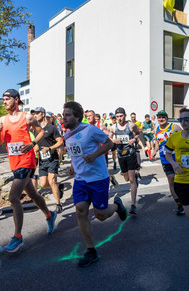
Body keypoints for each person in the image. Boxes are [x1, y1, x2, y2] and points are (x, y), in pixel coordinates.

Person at [63, 101, 127, 267]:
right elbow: (75, 153)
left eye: (68, 114)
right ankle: (91, 251)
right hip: (80, 180)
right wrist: (72, 166)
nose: (64, 117)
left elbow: (109, 143)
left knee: (101, 215)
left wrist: (94, 154)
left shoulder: (89, 130)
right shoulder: (67, 135)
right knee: (80, 211)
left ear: (77, 116)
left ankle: (117, 207)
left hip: (98, 178)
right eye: (63, 114)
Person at [0, 89, 57, 253]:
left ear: (16, 100)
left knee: (13, 197)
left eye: (7, 99)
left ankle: (17, 237)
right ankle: (49, 215)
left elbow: (41, 132)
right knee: (33, 193)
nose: (4, 102)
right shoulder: (3, 119)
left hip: (27, 160)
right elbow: (0, 142)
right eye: (3, 99)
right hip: (14, 162)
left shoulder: (27, 117)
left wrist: (32, 144)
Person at [152, 110, 184, 215]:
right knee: (171, 179)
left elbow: (184, 136)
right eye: (159, 117)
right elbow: (157, 142)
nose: (161, 119)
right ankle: (179, 205)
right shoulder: (156, 129)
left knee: (182, 180)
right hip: (165, 158)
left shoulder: (174, 127)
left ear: (167, 118)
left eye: (163, 117)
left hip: (178, 157)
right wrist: (154, 151)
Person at [34, 107, 64, 213]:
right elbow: (38, 145)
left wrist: (50, 148)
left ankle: (58, 204)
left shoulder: (51, 128)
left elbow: (60, 142)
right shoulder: (36, 130)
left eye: (37, 113)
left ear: (42, 114)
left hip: (52, 158)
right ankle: (59, 187)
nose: (35, 115)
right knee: (43, 184)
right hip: (42, 160)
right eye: (34, 114)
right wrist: (31, 150)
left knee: (51, 181)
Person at [165, 108, 189, 219]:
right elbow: (167, 153)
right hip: (181, 181)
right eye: (180, 119)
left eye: (186, 119)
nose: (183, 122)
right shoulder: (174, 137)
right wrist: (173, 163)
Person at [110, 107, 140, 215]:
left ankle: (133, 205)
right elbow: (109, 138)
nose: (119, 118)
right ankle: (133, 178)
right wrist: (114, 140)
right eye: (117, 116)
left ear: (125, 115)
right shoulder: (113, 127)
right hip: (120, 155)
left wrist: (134, 139)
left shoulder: (131, 125)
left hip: (131, 154)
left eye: (121, 116)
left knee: (131, 180)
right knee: (126, 178)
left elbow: (137, 134)